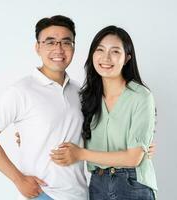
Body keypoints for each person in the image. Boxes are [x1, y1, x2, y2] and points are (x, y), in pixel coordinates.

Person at [0, 15, 89, 200]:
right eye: (50, 42)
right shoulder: (21, 90)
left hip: (80, 194)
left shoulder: (79, 91)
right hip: (43, 194)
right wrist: (18, 179)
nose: (58, 49)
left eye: (66, 42)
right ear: (38, 47)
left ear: (73, 47)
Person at [50, 26, 158, 200]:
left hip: (132, 183)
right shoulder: (86, 97)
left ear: (127, 58)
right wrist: (30, 133)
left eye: (115, 51)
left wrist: (80, 154)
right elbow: (70, 127)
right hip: (97, 184)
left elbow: (133, 158)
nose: (106, 58)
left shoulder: (141, 96)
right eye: (100, 49)